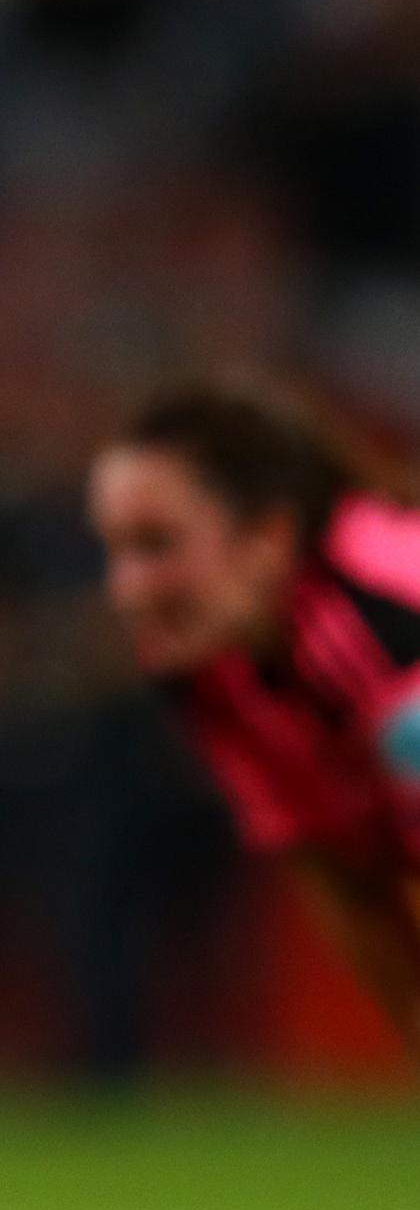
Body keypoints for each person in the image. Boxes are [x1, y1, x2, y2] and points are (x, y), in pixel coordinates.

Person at [90, 380, 420, 1054]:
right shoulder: (208, 668)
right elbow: (344, 876)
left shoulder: (381, 622)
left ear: (268, 539)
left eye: (157, 545)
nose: (125, 590)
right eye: (114, 550)